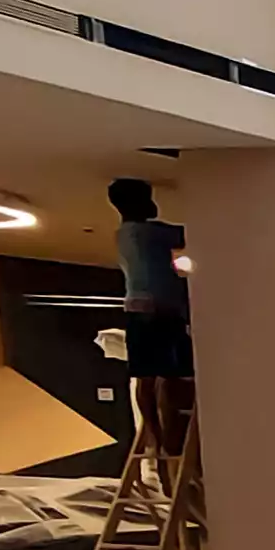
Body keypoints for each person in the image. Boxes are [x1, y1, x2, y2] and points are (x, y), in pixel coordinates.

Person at [110, 178, 194, 454]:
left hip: (137, 309)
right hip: (159, 309)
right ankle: (169, 437)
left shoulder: (123, 234)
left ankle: (155, 436)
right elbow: (192, 233)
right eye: (149, 198)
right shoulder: (148, 232)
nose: (153, 204)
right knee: (169, 375)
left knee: (146, 375)